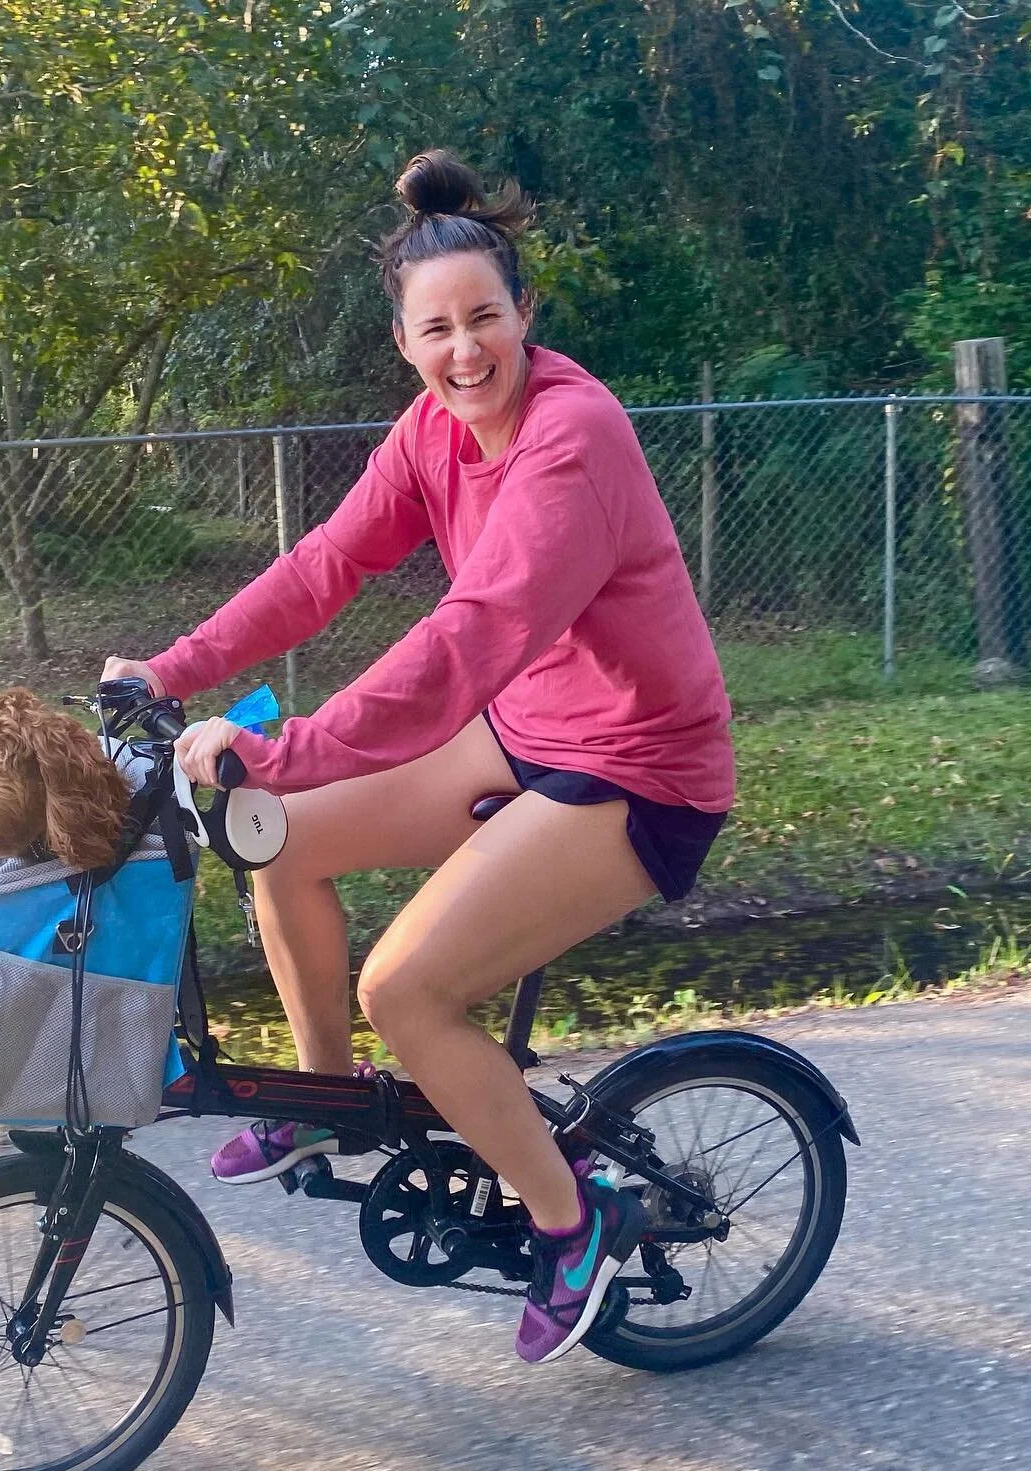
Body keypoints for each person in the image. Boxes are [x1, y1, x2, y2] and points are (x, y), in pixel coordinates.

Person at [102, 149, 735, 1364]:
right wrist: (171, 672)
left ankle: (574, 1215)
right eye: (436, 328)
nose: (465, 350)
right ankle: (325, 1100)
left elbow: (469, 640)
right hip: (524, 733)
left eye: (485, 319)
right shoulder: (431, 430)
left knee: (409, 990)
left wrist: (285, 747)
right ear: (405, 339)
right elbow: (323, 567)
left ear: (523, 316)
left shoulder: (571, 437)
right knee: (274, 844)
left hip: (636, 769)